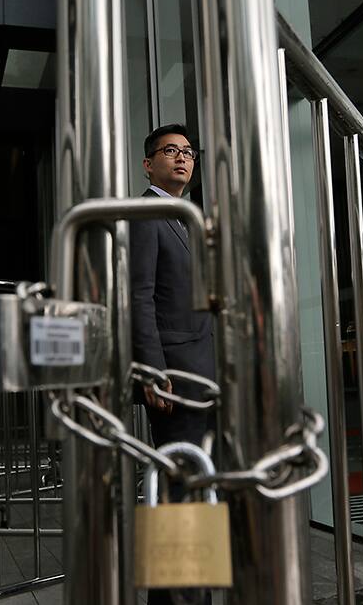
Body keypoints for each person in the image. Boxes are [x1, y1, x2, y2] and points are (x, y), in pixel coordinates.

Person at [130, 123, 215, 605]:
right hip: (175, 375)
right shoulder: (146, 214)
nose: (182, 159)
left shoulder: (188, 216)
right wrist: (152, 368)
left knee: (198, 489)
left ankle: (191, 596)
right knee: (180, 492)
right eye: (170, 152)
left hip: (206, 371)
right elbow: (138, 296)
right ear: (149, 163)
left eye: (188, 152)